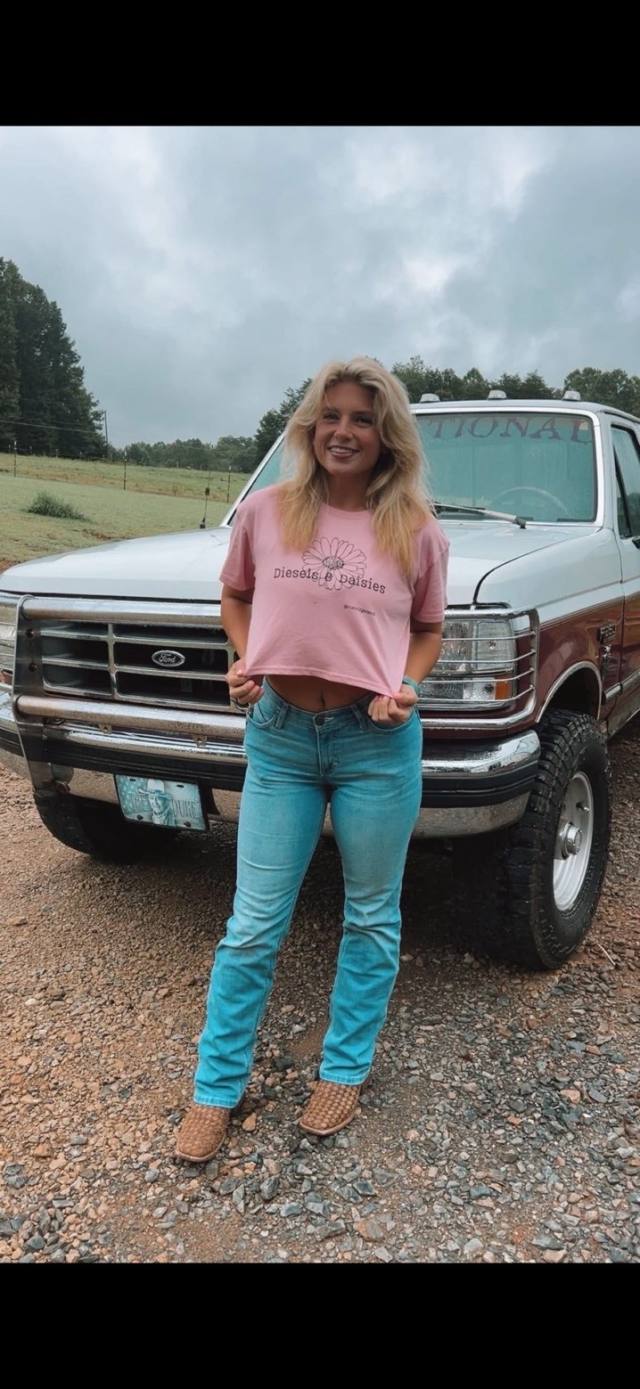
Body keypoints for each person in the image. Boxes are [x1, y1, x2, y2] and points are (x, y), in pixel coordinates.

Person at [175, 357, 449, 1162]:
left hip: (377, 744)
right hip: (282, 738)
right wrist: (244, 656)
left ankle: (344, 1068)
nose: (344, 431)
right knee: (254, 923)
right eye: (331, 415)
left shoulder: (417, 528)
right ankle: (215, 1087)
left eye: (362, 418)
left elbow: (428, 628)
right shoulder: (265, 511)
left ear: (386, 434)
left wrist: (407, 684)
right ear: (309, 425)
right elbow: (236, 597)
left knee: (370, 914)